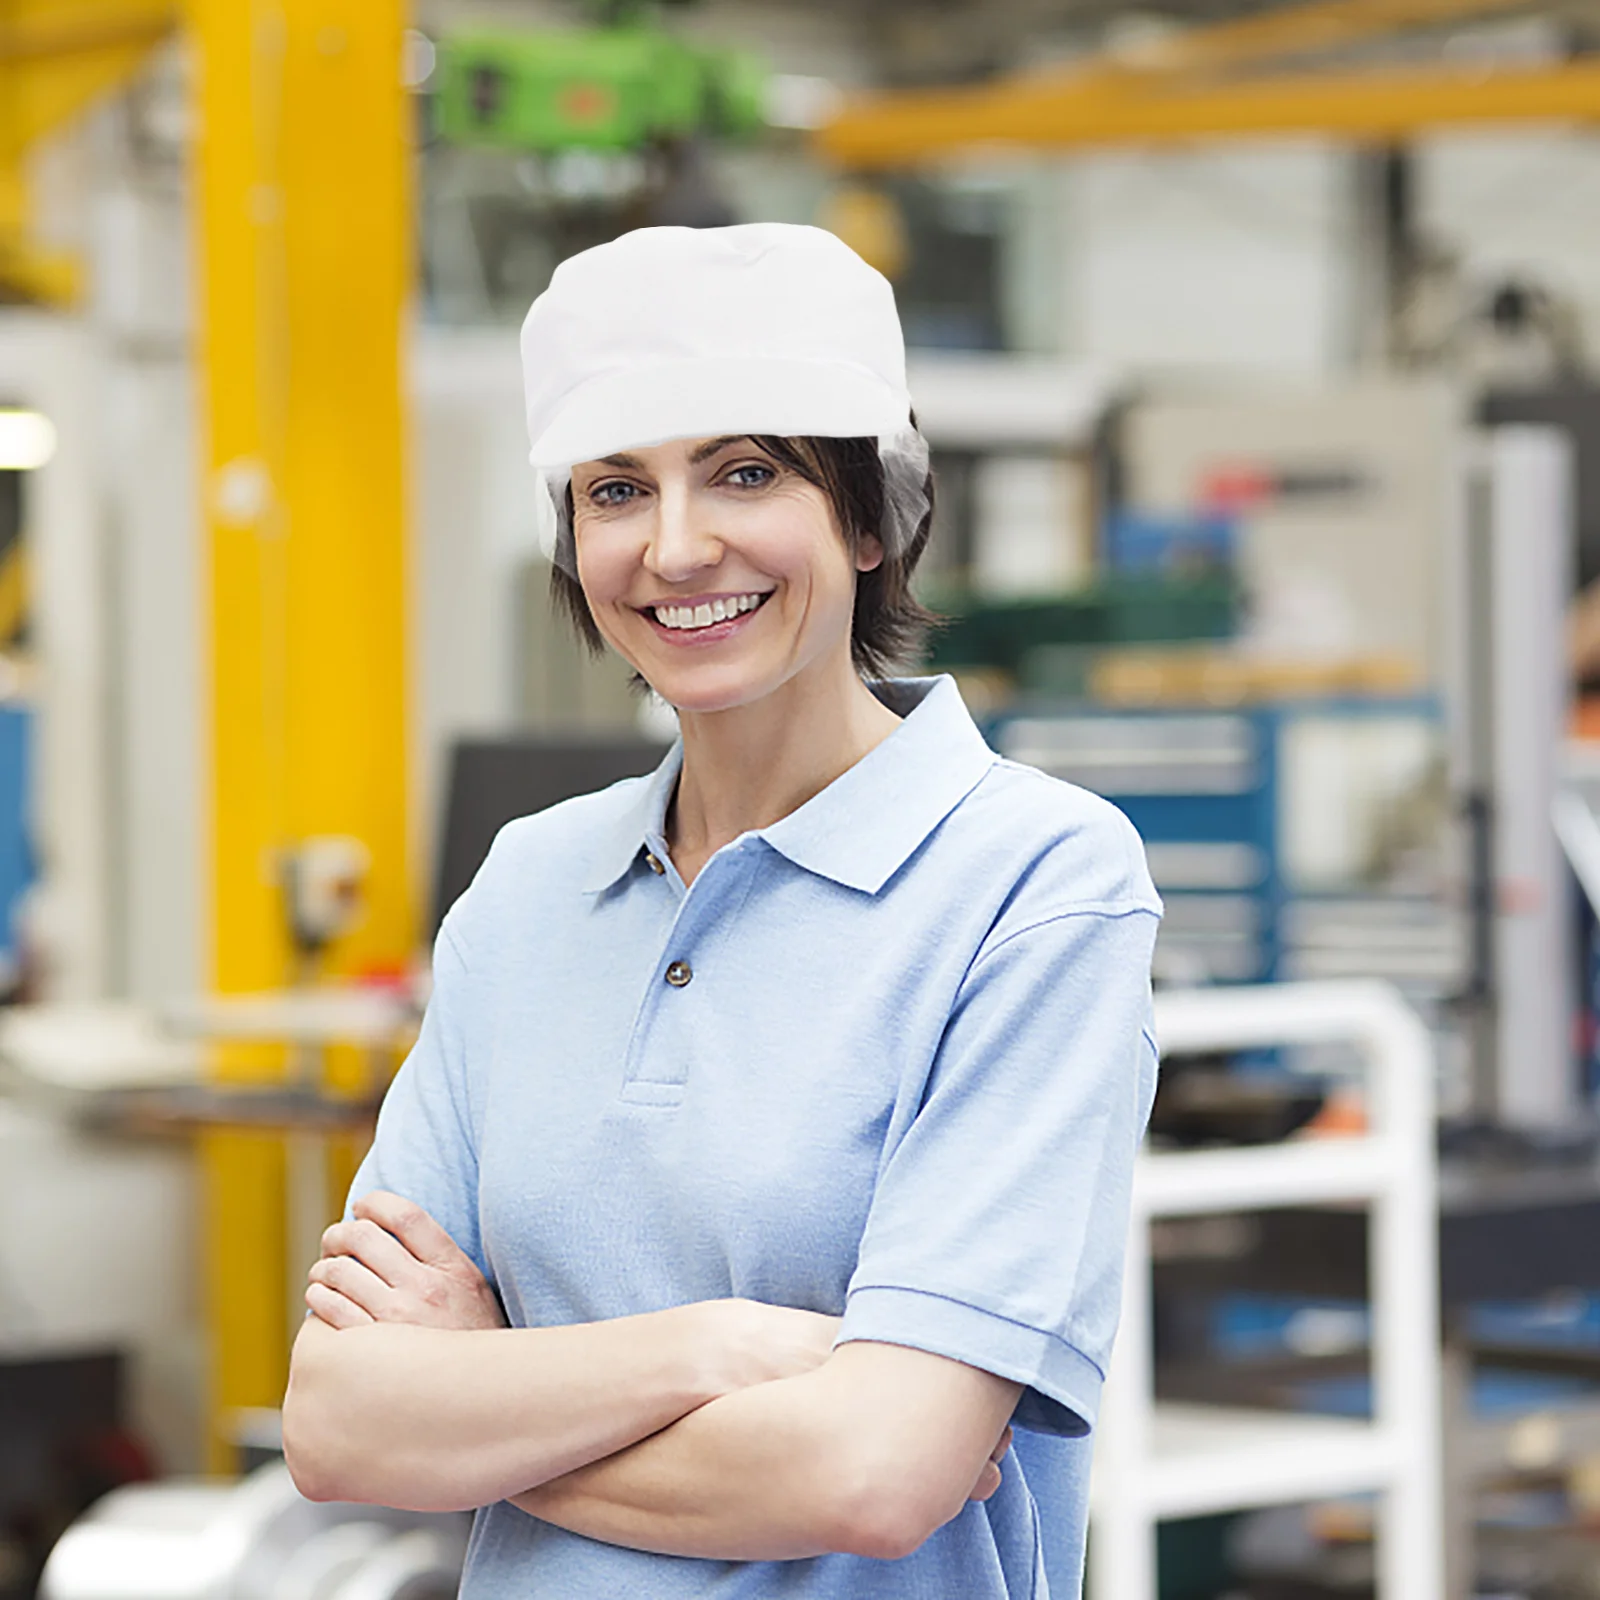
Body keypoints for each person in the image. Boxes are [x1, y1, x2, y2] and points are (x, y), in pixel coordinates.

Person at [282, 222, 1161, 1599]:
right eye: (616, 489)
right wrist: (717, 1349)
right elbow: (340, 1426)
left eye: (746, 472)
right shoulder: (527, 889)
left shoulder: (1035, 883)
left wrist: (484, 1404)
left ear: (871, 516)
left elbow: (873, 1476)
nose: (676, 546)